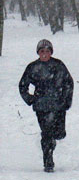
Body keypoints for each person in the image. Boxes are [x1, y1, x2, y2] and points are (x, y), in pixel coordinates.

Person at [19, 39, 74, 172]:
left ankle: (53, 141)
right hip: (42, 106)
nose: (44, 54)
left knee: (59, 133)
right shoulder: (33, 67)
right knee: (46, 133)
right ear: (38, 53)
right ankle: (48, 161)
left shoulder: (58, 65)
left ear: (51, 52)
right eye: (42, 51)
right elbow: (23, 85)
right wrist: (30, 99)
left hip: (58, 105)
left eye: (47, 51)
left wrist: (67, 101)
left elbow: (69, 83)